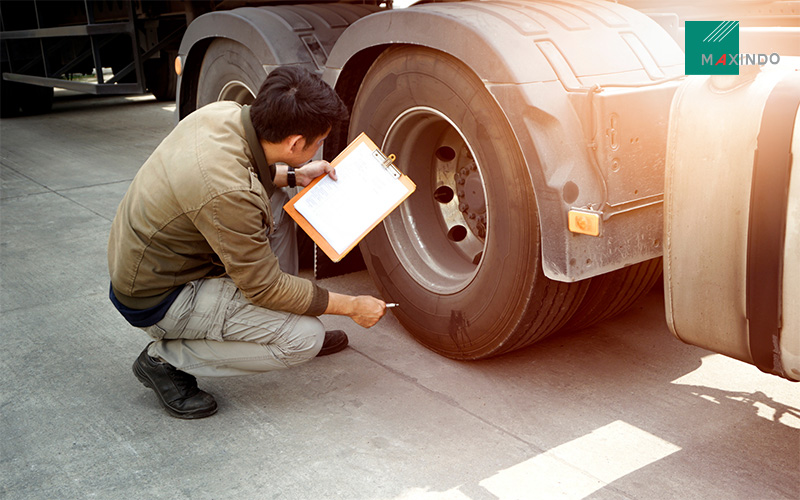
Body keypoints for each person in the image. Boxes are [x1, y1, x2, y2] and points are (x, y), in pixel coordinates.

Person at [108, 66, 386, 419]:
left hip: (154, 260)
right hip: (160, 297)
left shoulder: (224, 113)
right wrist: (351, 306)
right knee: (303, 338)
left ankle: (277, 315)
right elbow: (264, 288)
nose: (318, 150)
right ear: (295, 142)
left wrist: (295, 174)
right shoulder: (229, 193)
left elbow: (247, 163)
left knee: (280, 198)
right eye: (317, 144)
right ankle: (162, 360)